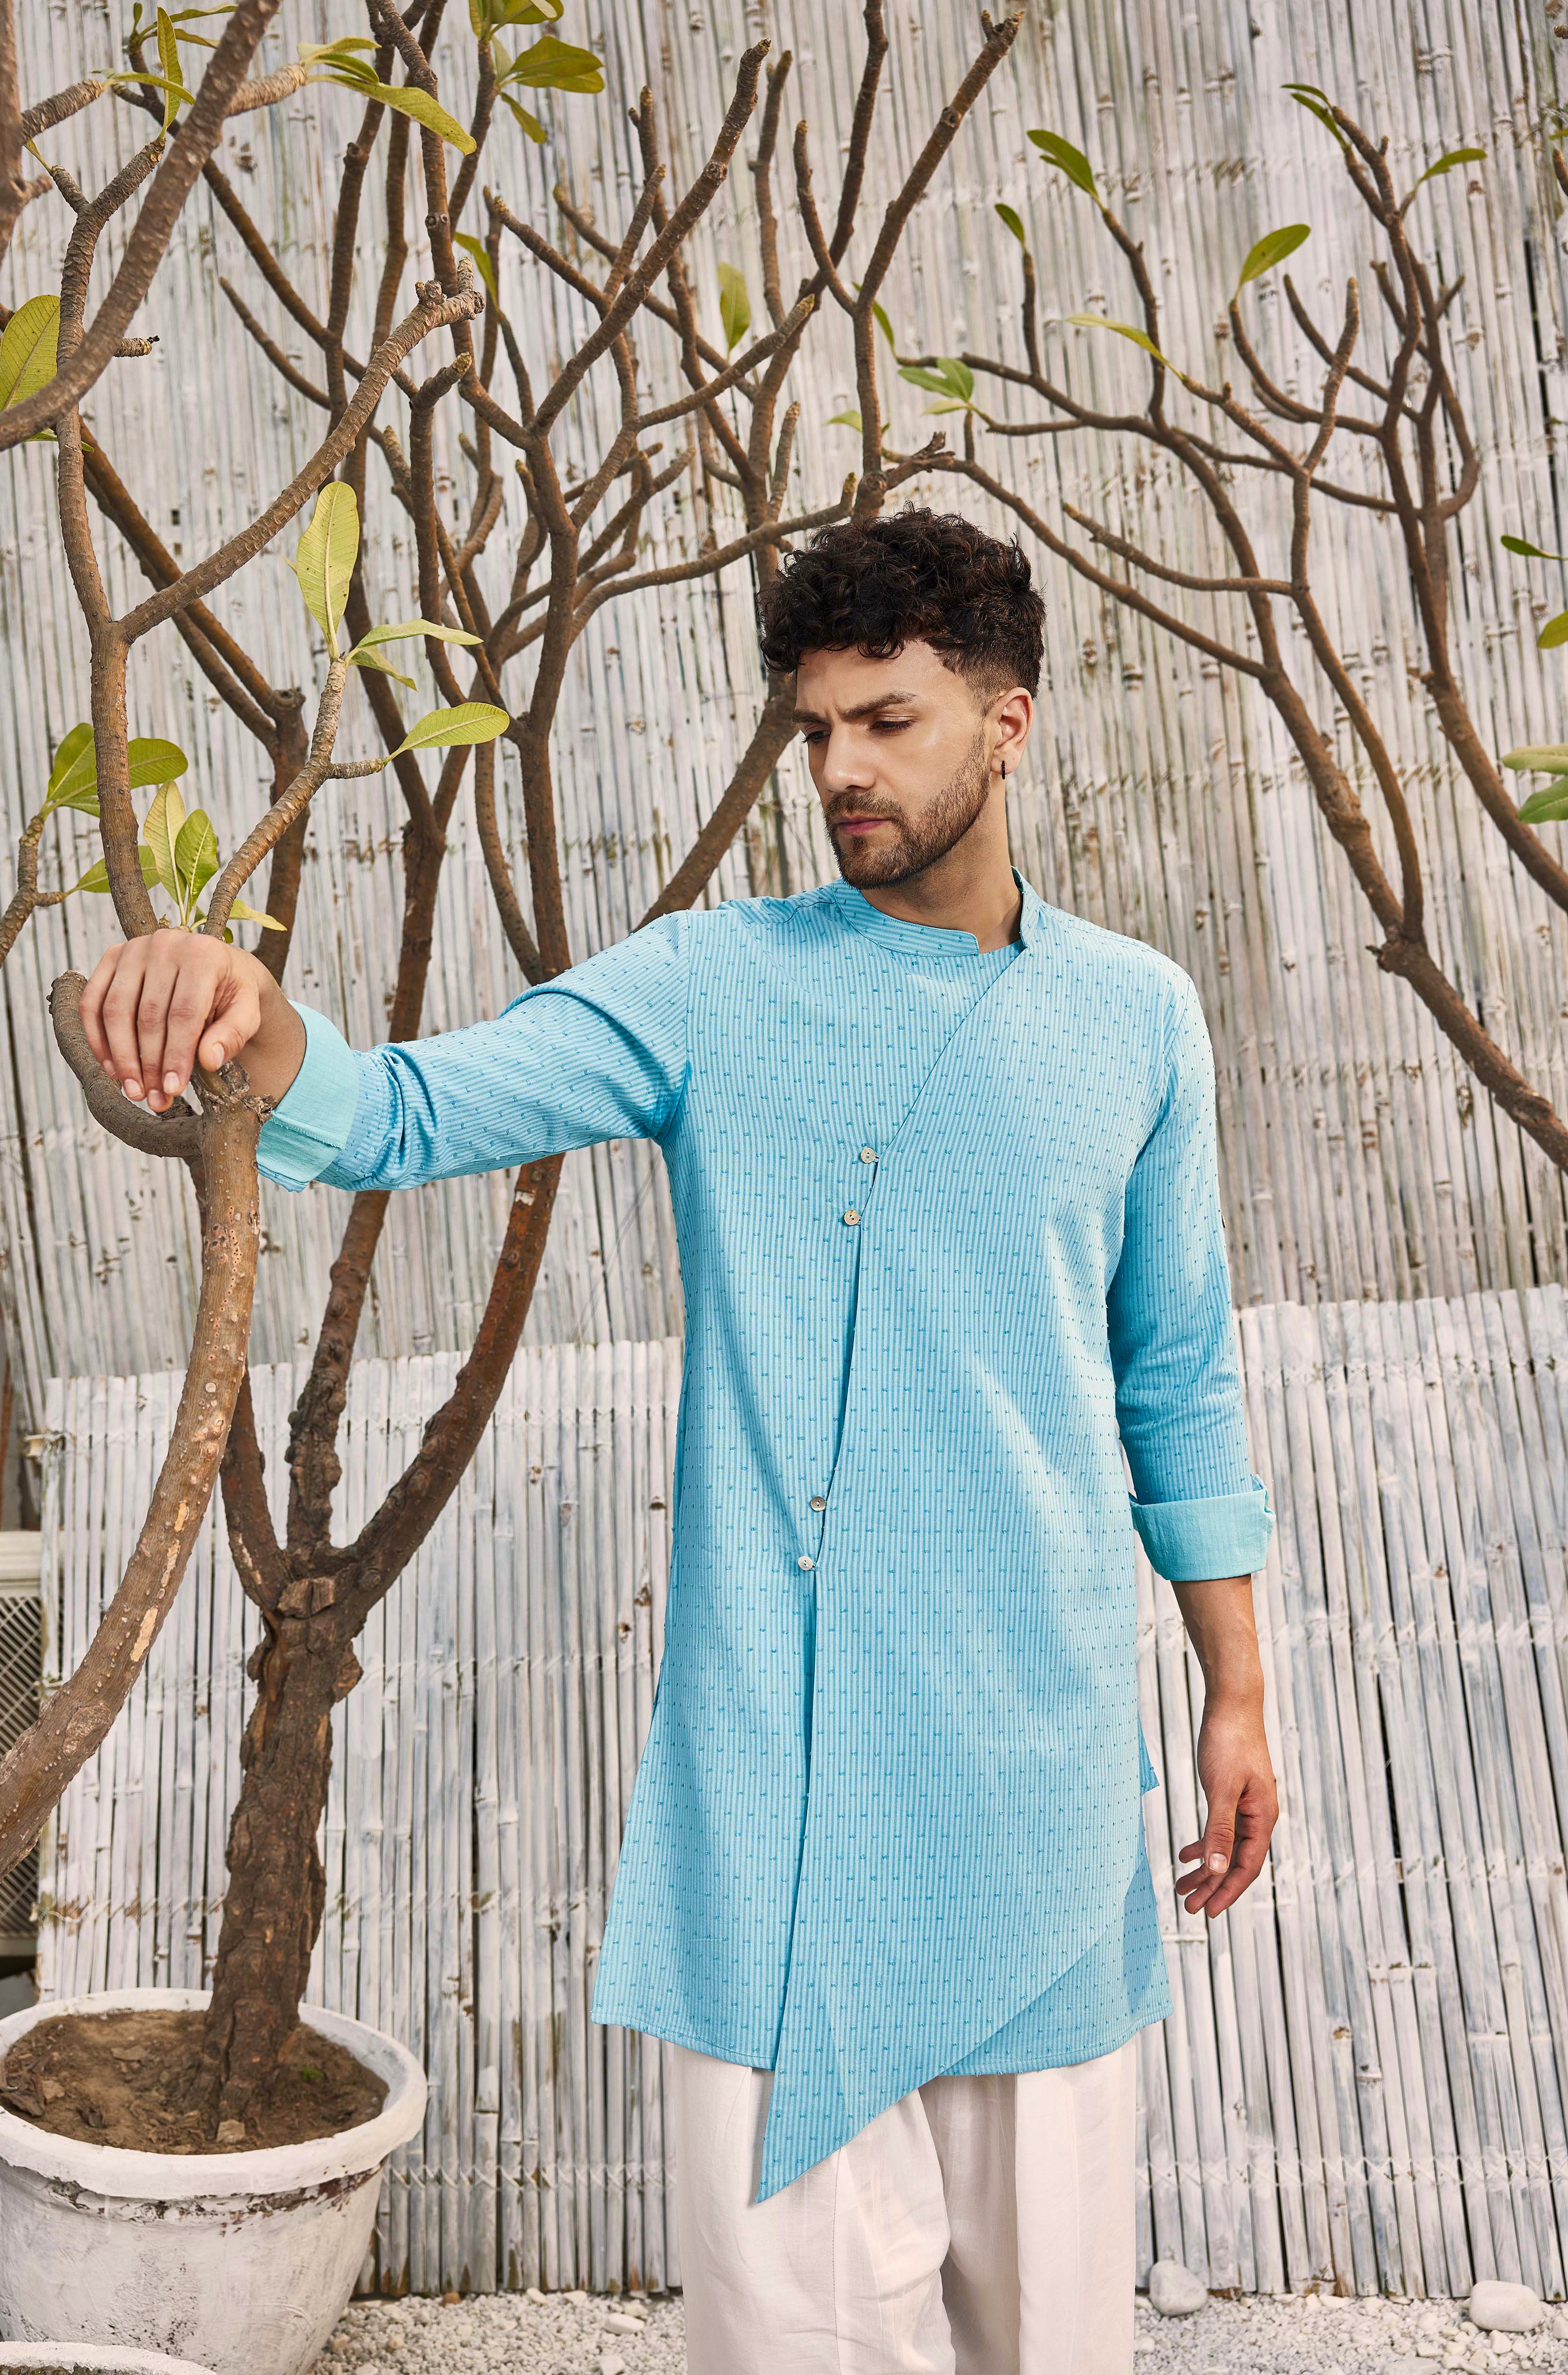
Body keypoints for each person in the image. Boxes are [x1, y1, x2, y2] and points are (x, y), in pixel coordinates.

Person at [80, 508, 1279, 2375]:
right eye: (815, 729)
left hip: (1038, 1784)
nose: (841, 767)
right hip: (776, 1796)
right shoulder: (714, 982)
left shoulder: (1136, 1021)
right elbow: (405, 1109)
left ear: (1010, 721)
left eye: (885, 720)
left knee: (1049, 2340)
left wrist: (1237, 1688)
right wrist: (252, 1016)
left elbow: (1176, 1375)